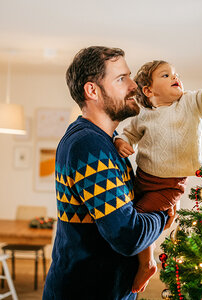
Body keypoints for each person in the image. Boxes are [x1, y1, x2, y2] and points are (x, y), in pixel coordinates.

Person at [42, 46, 176, 300]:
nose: (134, 85)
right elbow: (128, 235)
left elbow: (132, 207)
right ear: (92, 90)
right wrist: (164, 211)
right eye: (121, 78)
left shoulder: (108, 141)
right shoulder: (87, 144)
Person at [114, 59, 202, 292]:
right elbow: (129, 133)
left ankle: (147, 264)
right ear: (148, 91)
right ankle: (143, 247)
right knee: (131, 208)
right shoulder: (144, 115)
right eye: (166, 75)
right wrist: (121, 141)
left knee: (140, 217)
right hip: (143, 179)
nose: (174, 77)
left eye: (175, 74)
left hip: (170, 184)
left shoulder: (190, 103)